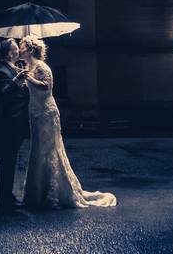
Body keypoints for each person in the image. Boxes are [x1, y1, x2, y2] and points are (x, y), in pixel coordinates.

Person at [20, 35, 116, 209]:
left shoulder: (41, 66)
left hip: (46, 113)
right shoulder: (28, 66)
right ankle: (36, 192)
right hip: (34, 112)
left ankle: (52, 194)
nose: (20, 49)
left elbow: (46, 87)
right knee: (37, 151)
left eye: (22, 47)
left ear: (30, 50)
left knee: (48, 151)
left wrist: (29, 78)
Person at [0, 38, 30, 211]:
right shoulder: (2, 71)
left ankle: (8, 196)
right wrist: (16, 81)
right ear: (9, 53)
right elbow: (3, 95)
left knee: (11, 162)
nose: (19, 51)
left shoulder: (14, 68)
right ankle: (4, 201)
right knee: (6, 163)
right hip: (8, 125)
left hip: (16, 124)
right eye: (16, 49)